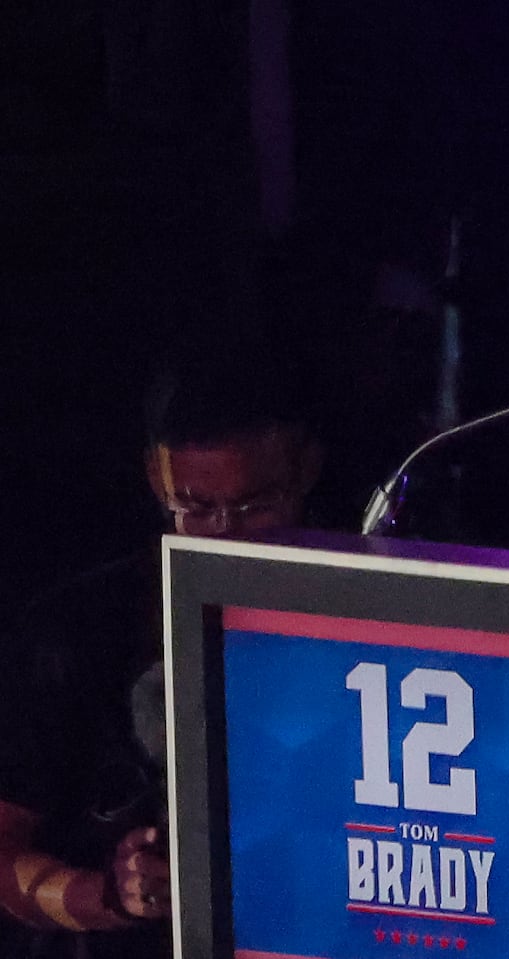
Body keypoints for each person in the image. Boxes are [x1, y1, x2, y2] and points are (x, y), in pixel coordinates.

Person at [0, 359, 321, 959]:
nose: (226, 535)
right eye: (196, 508)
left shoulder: (352, 615)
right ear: (156, 479)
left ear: (305, 470)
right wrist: (109, 897)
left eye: (255, 507)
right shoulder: (77, 631)